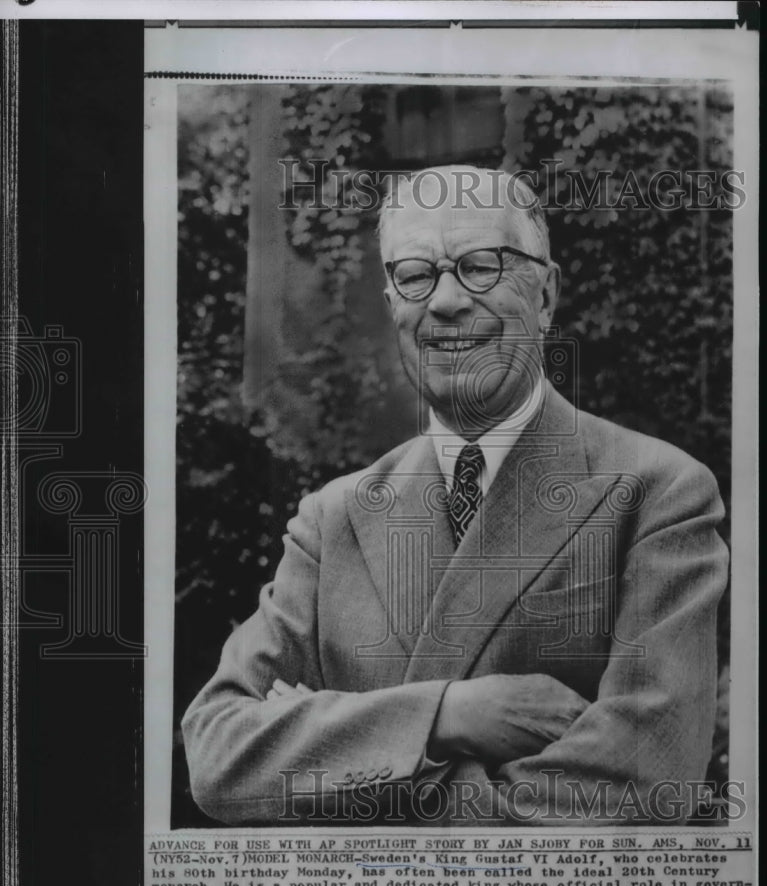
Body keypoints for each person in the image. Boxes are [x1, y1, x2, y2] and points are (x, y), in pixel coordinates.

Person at [182, 165, 729, 826]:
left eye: (480, 266)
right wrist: (447, 714)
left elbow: (642, 776)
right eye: (415, 274)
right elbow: (218, 756)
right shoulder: (333, 520)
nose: (444, 302)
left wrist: (345, 766)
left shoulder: (658, 492)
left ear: (546, 294)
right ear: (393, 306)